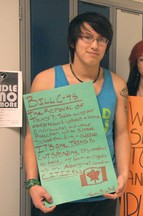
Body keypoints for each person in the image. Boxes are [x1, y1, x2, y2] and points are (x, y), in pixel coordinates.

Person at [24, 12, 130, 216]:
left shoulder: (117, 85)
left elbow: (122, 134)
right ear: (73, 42)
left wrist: (124, 174)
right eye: (87, 37)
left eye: (101, 39)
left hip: (102, 194)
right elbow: (33, 137)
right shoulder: (46, 81)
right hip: (57, 193)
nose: (94, 45)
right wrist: (32, 183)